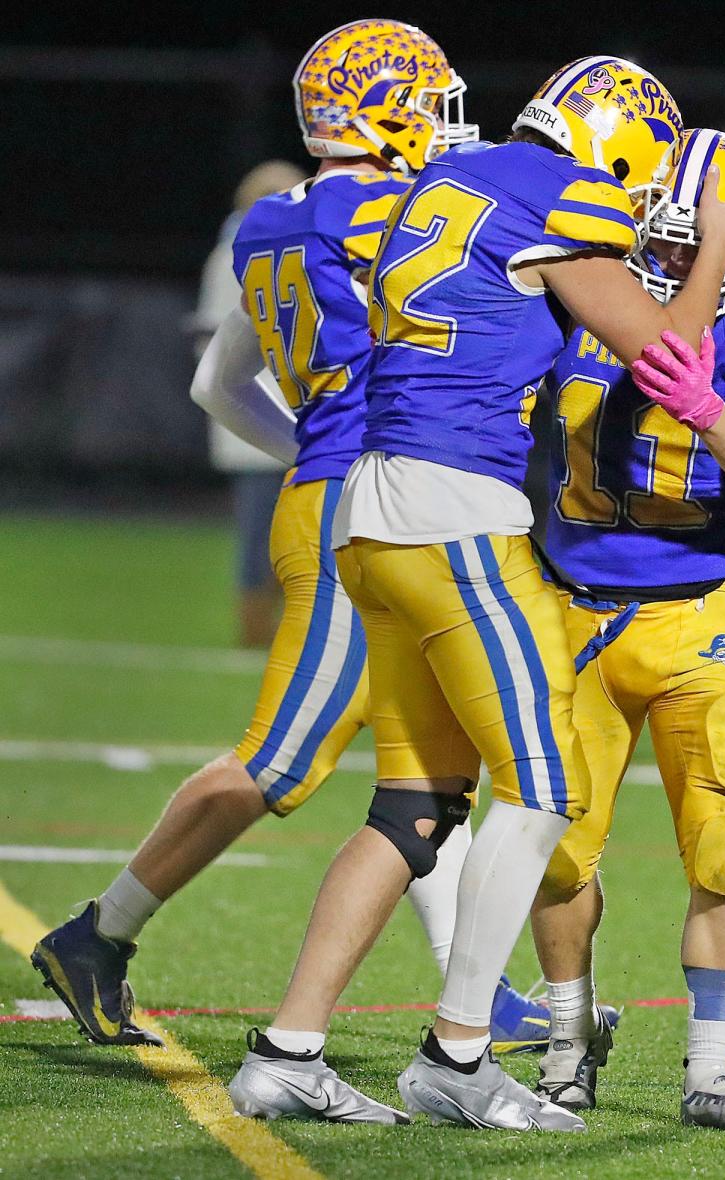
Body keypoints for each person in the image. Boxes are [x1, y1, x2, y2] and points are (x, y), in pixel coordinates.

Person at [229, 55, 725, 1133]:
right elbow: (670, 355)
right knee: (546, 787)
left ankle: (287, 1051)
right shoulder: (553, 190)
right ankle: (457, 1056)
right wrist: (715, 246)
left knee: (416, 804)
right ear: (616, 142)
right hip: (456, 516)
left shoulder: (452, 179)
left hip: (369, 511)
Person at [32, 20, 548, 1107]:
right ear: (387, 109)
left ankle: (483, 989)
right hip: (382, 503)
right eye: (429, 98)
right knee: (285, 759)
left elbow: (215, 389)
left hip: (339, 492)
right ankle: (98, 934)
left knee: (422, 765)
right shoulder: (401, 212)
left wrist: (313, 454)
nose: (447, 121)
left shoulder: (267, 223)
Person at [526, 129, 725, 1133]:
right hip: (575, 607)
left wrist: (705, 408)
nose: (659, 259)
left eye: (681, 240)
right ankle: (568, 1043)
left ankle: (712, 1070)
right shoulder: (582, 286)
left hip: (699, 615)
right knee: (558, 853)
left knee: (722, 853)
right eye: (653, 238)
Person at [186, 159, 307, 649]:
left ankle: (290, 632)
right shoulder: (237, 255)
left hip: (300, 419)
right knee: (261, 541)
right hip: (262, 423)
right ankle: (254, 636)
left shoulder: (287, 250)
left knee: (303, 541)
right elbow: (218, 354)